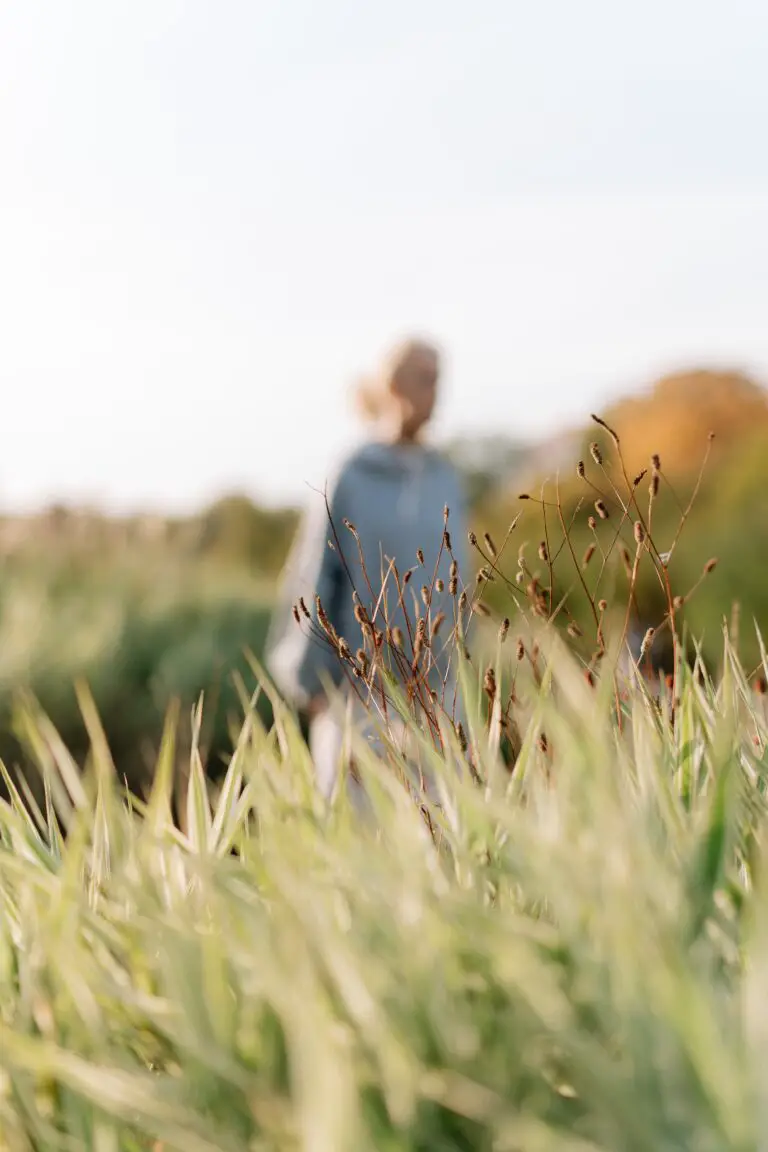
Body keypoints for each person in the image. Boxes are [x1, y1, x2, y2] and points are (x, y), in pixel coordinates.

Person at [266, 337, 468, 805]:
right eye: (427, 379)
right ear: (394, 385)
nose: (438, 392)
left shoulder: (445, 477)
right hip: (356, 699)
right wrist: (314, 686)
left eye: (441, 380)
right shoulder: (352, 474)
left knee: (439, 843)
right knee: (358, 843)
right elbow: (313, 575)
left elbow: (461, 582)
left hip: (438, 702)